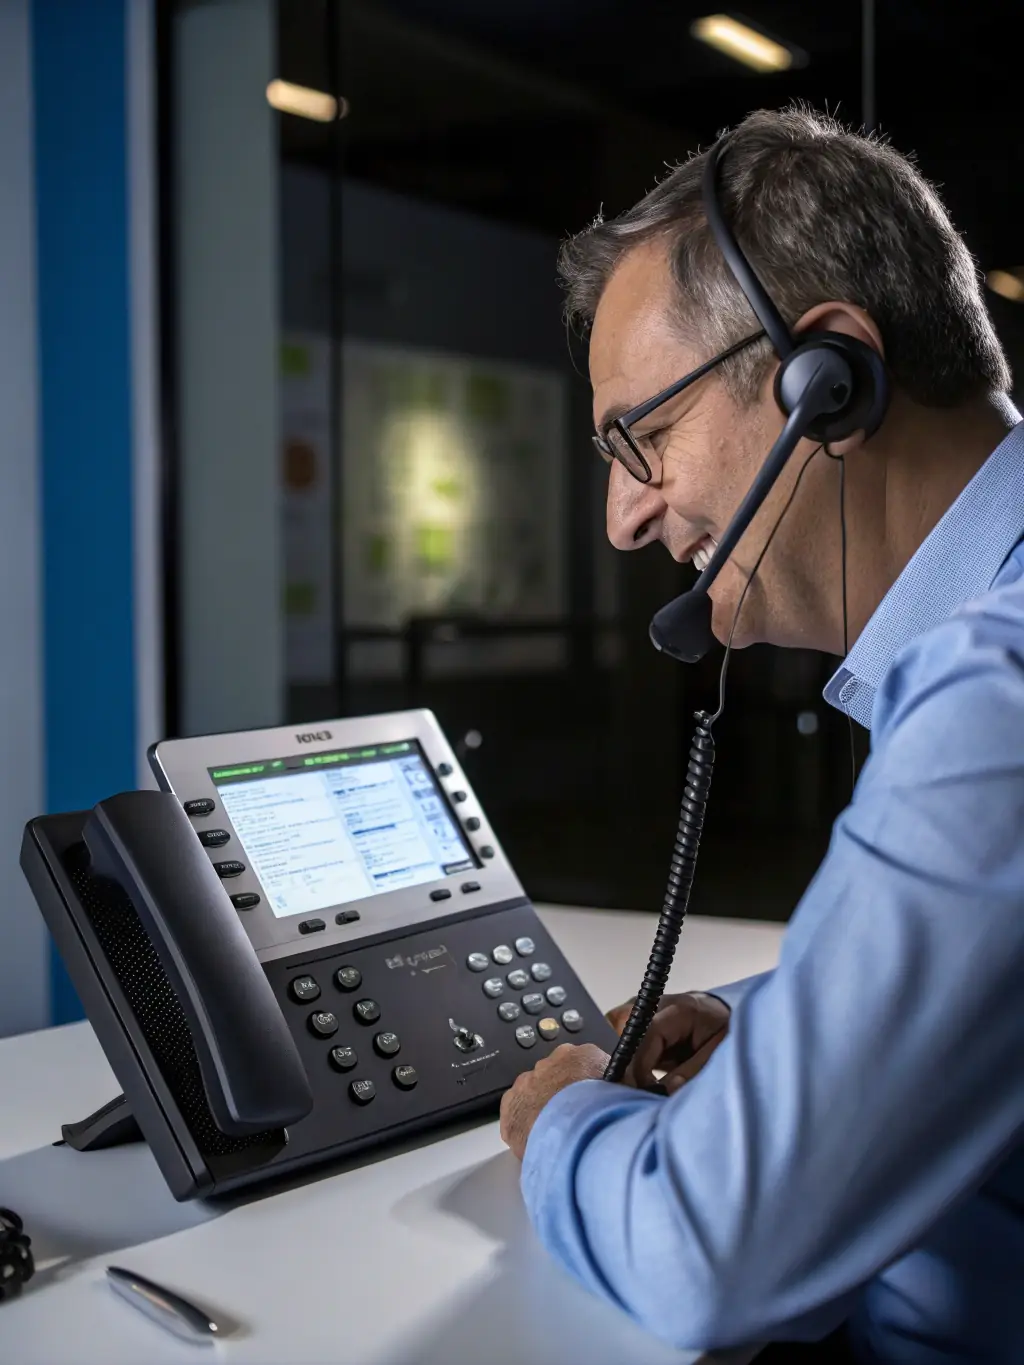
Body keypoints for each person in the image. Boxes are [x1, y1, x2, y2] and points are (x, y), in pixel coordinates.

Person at [498, 105, 1024, 1365]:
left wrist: (570, 1119)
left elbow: (709, 1259)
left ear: (823, 382)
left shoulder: (993, 699)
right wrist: (790, 1027)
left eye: (644, 439)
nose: (625, 518)